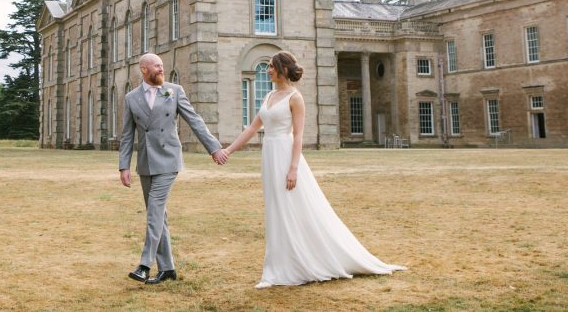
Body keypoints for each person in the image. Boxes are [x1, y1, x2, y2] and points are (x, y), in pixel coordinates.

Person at [224, 51, 405, 289]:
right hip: (269, 156)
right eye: (267, 66)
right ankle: (277, 267)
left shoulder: (295, 97)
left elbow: (298, 135)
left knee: (292, 208)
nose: (267, 70)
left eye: (270, 66)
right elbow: (252, 129)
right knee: (276, 210)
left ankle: (292, 267)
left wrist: (293, 169)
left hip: (286, 154)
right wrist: (228, 150)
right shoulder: (269, 95)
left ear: (282, 69)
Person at [119, 53, 229, 285]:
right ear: (144, 70)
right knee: (159, 217)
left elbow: (195, 120)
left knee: (154, 212)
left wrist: (214, 148)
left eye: (162, 65)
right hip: (146, 162)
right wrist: (124, 166)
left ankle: (144, 265)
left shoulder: (174, 90)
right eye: (156, 66)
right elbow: (127, 135)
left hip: (168, 160)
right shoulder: (131, 98)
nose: (161, 69)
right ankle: (167, 268)